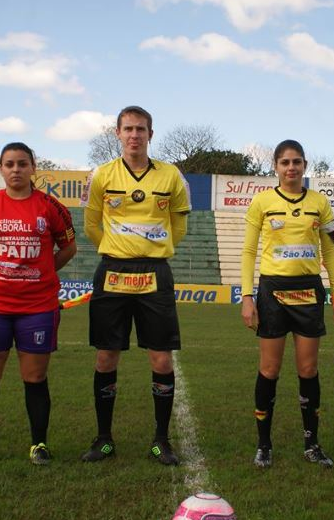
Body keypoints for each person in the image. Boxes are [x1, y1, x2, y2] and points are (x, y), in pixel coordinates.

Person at [0, 142, 77, 467]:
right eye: (9, 164)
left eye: (22, 163)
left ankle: (39, 444)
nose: (16, 170)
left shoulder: (50, 207)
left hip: (37, 305)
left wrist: (43, 271)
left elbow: (68, 247)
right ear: (1, 168)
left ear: (33, 167)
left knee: (35, 377)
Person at [82, 106, 191, 466]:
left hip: (154, 273)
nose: (134, 135)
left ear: (150, 134)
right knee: (105, 356)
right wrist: (118, 250)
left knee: (160, 358)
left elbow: (179, 226)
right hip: (113, 271)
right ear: (117, 133)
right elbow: (93, 225)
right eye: (127, 128)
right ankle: (103, 438)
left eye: (140, 129)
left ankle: (161, 439)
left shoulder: (172, 176)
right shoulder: (102, 175)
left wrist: (151, 251)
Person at [240, 139, 334, 469]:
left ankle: (312, 444)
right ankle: (264, 444)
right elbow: (248, 252)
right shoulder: (262, 203)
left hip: (309, 292)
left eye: (297, 162)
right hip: (272, 292)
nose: (291, 168)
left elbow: (329, 251)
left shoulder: (320, 203)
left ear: (304, 165)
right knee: (269, 370)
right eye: (285, 162)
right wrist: (247, 297)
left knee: (308, 370)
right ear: (275, 167)